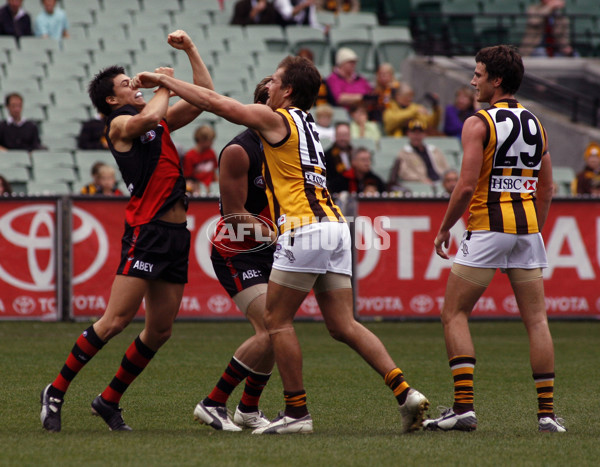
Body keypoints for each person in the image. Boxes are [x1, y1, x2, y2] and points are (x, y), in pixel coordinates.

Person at [131, 54, 429, 435]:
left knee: (276, 322)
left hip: (304, 229)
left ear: (288, 91)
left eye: (274, 82)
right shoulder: (310, 125)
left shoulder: (279, 119)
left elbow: (217, 104)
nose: (267, 87)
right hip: (336, 226)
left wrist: (165, 83)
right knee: (343, 324)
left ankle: (296, 413)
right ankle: (405, 393)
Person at [39, 29, 212, 433]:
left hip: (175, 234)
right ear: (111, 101)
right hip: (146, 230)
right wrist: (163, 81)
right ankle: (56, 389)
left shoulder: (154, 116)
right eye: (124, 85)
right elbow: (151, 115)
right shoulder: (119, 124)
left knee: (160, 330)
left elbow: (204, 94)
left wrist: (189, 50)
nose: (133, 85)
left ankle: (109, 399)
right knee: (115, 320)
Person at [427, 45, 565, 433]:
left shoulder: (479, 123)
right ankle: (547, 416)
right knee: (537, 320)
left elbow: (467, 184)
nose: (473, 80)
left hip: (488, 227)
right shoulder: (537, 124)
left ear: (496, 80)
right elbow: (548, 188)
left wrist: (444, 228)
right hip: (526, 231)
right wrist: (531, 229)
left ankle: (463, 408)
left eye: (479, 73)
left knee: (453, 314)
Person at [193, 77, 276, 432]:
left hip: (272, 252)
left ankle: (248, 410)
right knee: (272, 328)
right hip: (237, 252)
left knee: (278, 330)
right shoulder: (240, 150)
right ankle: (212, 403)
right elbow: (233, 216)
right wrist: (280, 234)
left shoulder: (286, 146)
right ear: (261, 107)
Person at [387, 119, 449, 190]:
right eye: (413, 132)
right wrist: (421, 180)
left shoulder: (434, 150)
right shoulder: (404, 153)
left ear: (424, 134)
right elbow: (404, 172)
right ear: (408, 134)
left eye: (420, 133)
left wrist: (446, 179)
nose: (416, 136)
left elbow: (445, 167)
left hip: (441, 182)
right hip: (420, 185)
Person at [182, 124, 217, 195]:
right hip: (197, 188)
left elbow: (214, 172)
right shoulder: (190, 156)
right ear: (201, 141)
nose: (212, 143)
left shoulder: (211, 153)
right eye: (210, 141)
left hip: (210, 187)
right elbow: (188, 177)